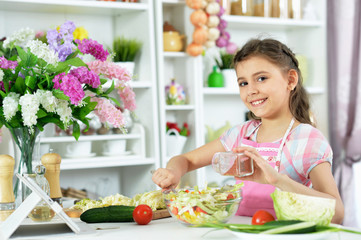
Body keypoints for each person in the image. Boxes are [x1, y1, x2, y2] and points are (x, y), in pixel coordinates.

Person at [152, 38, 344, 224]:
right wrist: (173, 172)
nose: (251, 90)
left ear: (291, 80)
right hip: (239, 231)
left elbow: (337, 213)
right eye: (243, 83)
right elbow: (185, 160)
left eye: (261, 78)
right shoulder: (241, 135)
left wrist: (278, 181)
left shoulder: (307, 140)